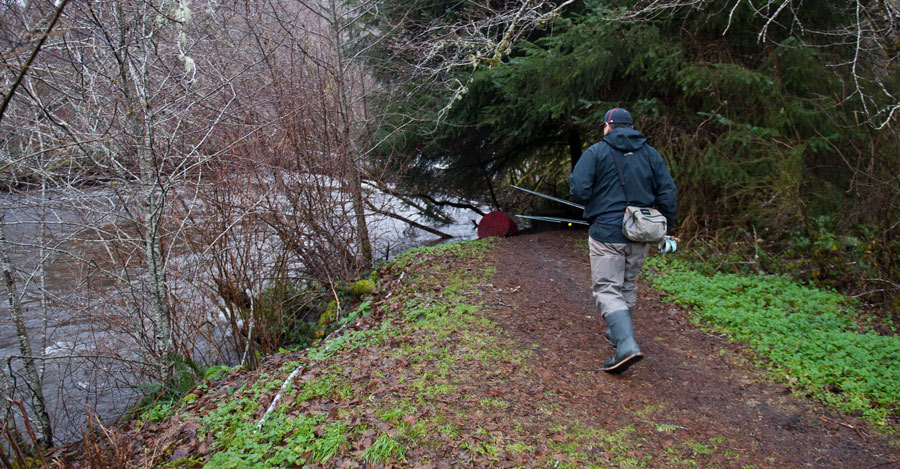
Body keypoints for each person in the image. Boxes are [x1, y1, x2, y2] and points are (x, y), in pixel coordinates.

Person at [569, 108, 677, 373]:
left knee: (607, 288)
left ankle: (626, 345)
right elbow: (668, 195)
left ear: (608, 125)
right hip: (642, 232)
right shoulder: (652, 155)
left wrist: (596, 201)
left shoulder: (596, 152)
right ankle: (618, 334)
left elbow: (579, 189)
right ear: (630, 126)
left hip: (607, 232)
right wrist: (664, 229)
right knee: (627, 284)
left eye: (603, 125)